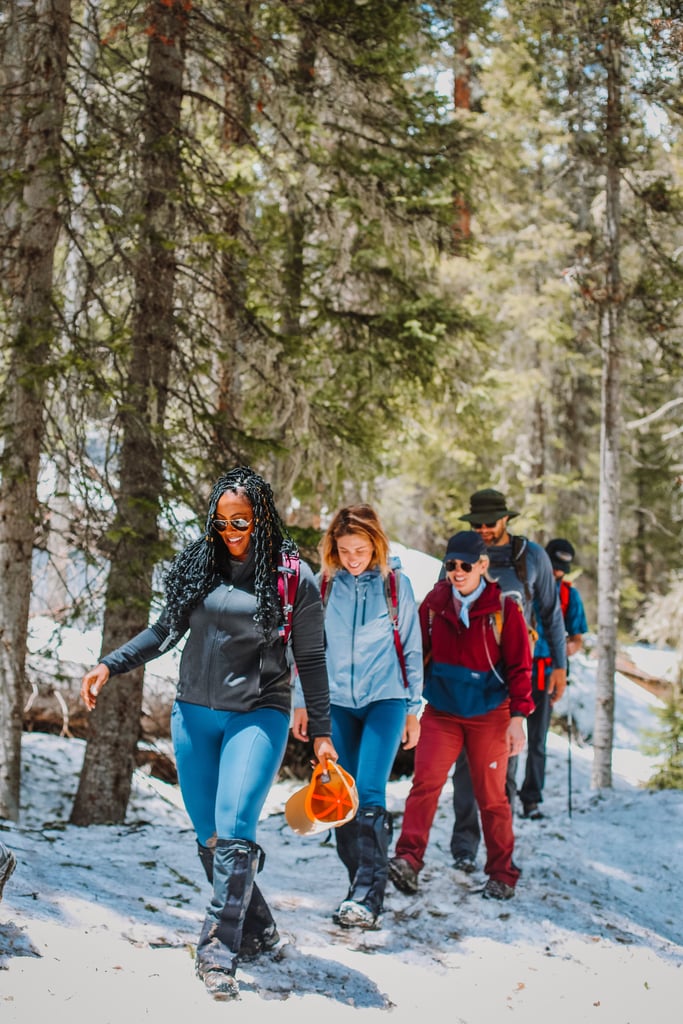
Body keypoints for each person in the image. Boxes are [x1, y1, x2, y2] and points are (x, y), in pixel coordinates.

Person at [80, 466, 337, 1001]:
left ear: (262, 515)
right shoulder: (200, 564)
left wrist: (322, 733)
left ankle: (219, 951)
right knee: (209, 835)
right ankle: (259, 926)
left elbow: (311, 658)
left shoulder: (293, 576)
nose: (231, 531)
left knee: (236, 824)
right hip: (193, 712)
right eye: (221, 522)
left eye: (241, 520)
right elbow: (164, 630)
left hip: (257, 712)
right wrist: (111, 664)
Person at [292, 505, 423, 930]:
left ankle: (368, 896)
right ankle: (358, 887)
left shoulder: (395, 585)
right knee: (340, 799)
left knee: (368, 793)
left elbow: (412, 647)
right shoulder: (322, 585)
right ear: (333, 548)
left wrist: (412, 709)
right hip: (336, 707)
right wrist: (302, 703)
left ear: (376, 545)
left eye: (361, 549)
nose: (353, 557)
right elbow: (307, 650)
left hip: (385, 699)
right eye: (345, 549)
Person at [388, 531, 533, 901]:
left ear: (483, 566)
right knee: (425, 785)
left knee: (492, 797)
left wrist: (519, 717)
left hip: (491, 714)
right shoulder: (434, 606)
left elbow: (519, 667)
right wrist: (410, 707)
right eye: (450, 565)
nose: (457, 572)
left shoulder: (505, 609)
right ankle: (407, 859)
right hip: (443, 711)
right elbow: (414, 657)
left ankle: (502, 873)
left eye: (465, 565)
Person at [449, 489, 567, 870]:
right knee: (466, 763)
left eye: (489, 523)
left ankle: (500, 843)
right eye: (476, 524)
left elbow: (550, 614)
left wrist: (560, 667)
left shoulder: (530, 557)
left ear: (505, 520)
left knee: (505, 764)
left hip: (515, 673)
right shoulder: (459, 553)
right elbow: (441, 602)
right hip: (469, 675)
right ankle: (464, 845)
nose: (482, 530)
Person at [518, 538, 588, 818]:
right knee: (504, 735)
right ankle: (500, 795)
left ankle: (531, 799)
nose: (558, 572)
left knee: (537, 740)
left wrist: (568, 649)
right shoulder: (525, 586)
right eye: (554, 566)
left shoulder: (570, 595)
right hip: (516, 670)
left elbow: (578, 636)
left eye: (563, 568)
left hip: (546, 675)